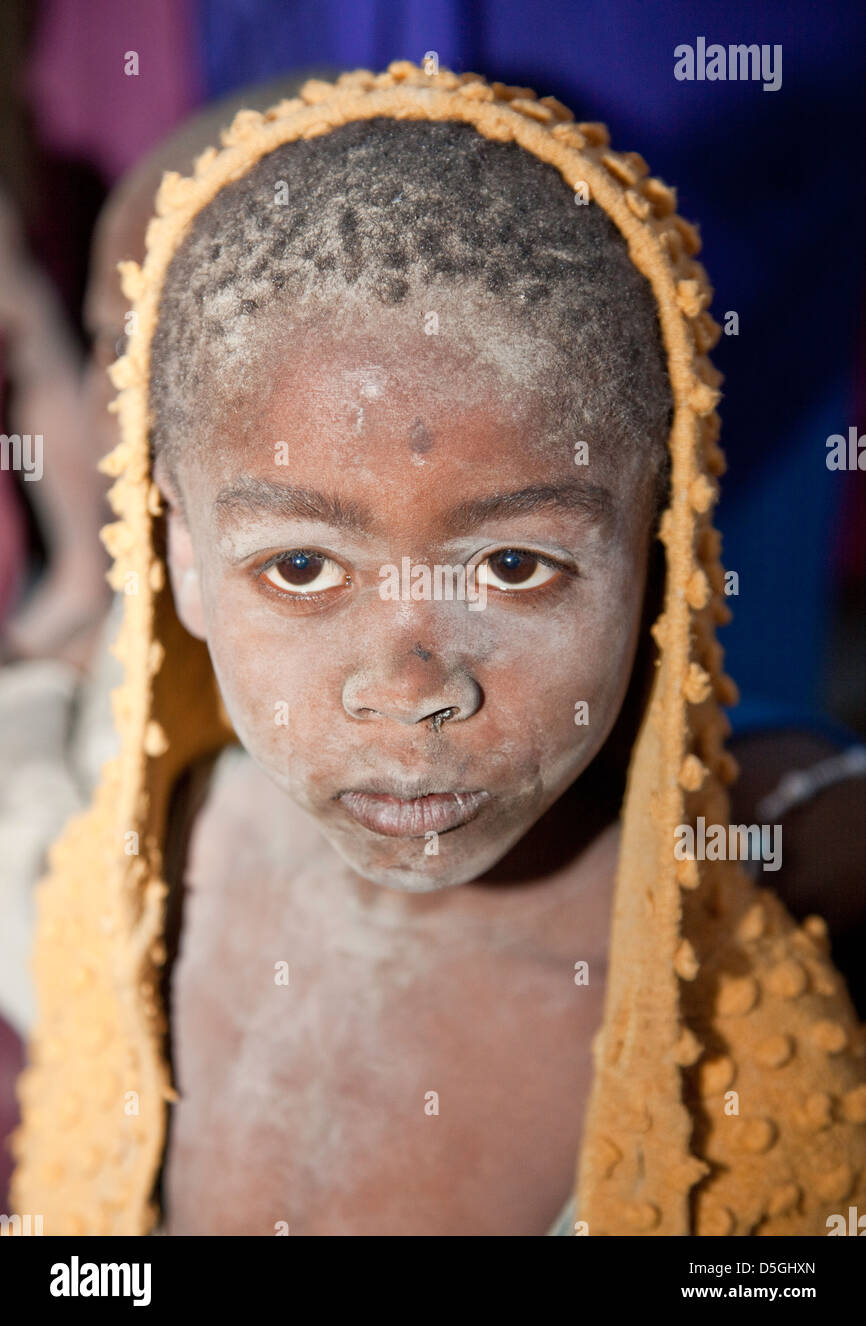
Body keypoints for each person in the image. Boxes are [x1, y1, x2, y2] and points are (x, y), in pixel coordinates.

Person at [10, 63, 866, 1237]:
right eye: (301, 568)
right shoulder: (115, 885)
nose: (410, 689)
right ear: (186, 561)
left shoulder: (737, 1063)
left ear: (659, 549)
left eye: (514, 566)